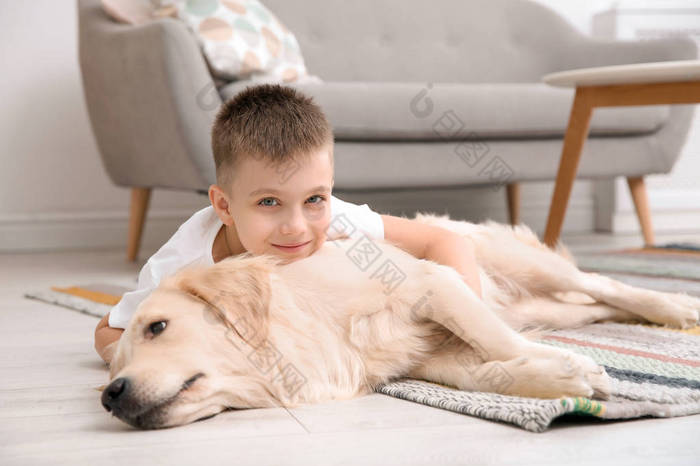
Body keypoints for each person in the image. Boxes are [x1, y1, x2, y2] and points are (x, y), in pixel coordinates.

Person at [94, 84, 482, 364]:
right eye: (268, 202)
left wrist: (472, 326)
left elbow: (445, 243)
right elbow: (108, 330)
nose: (296, 227)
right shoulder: (182, 266)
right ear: (224, 206)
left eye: (315, 199)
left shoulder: (333, 219)